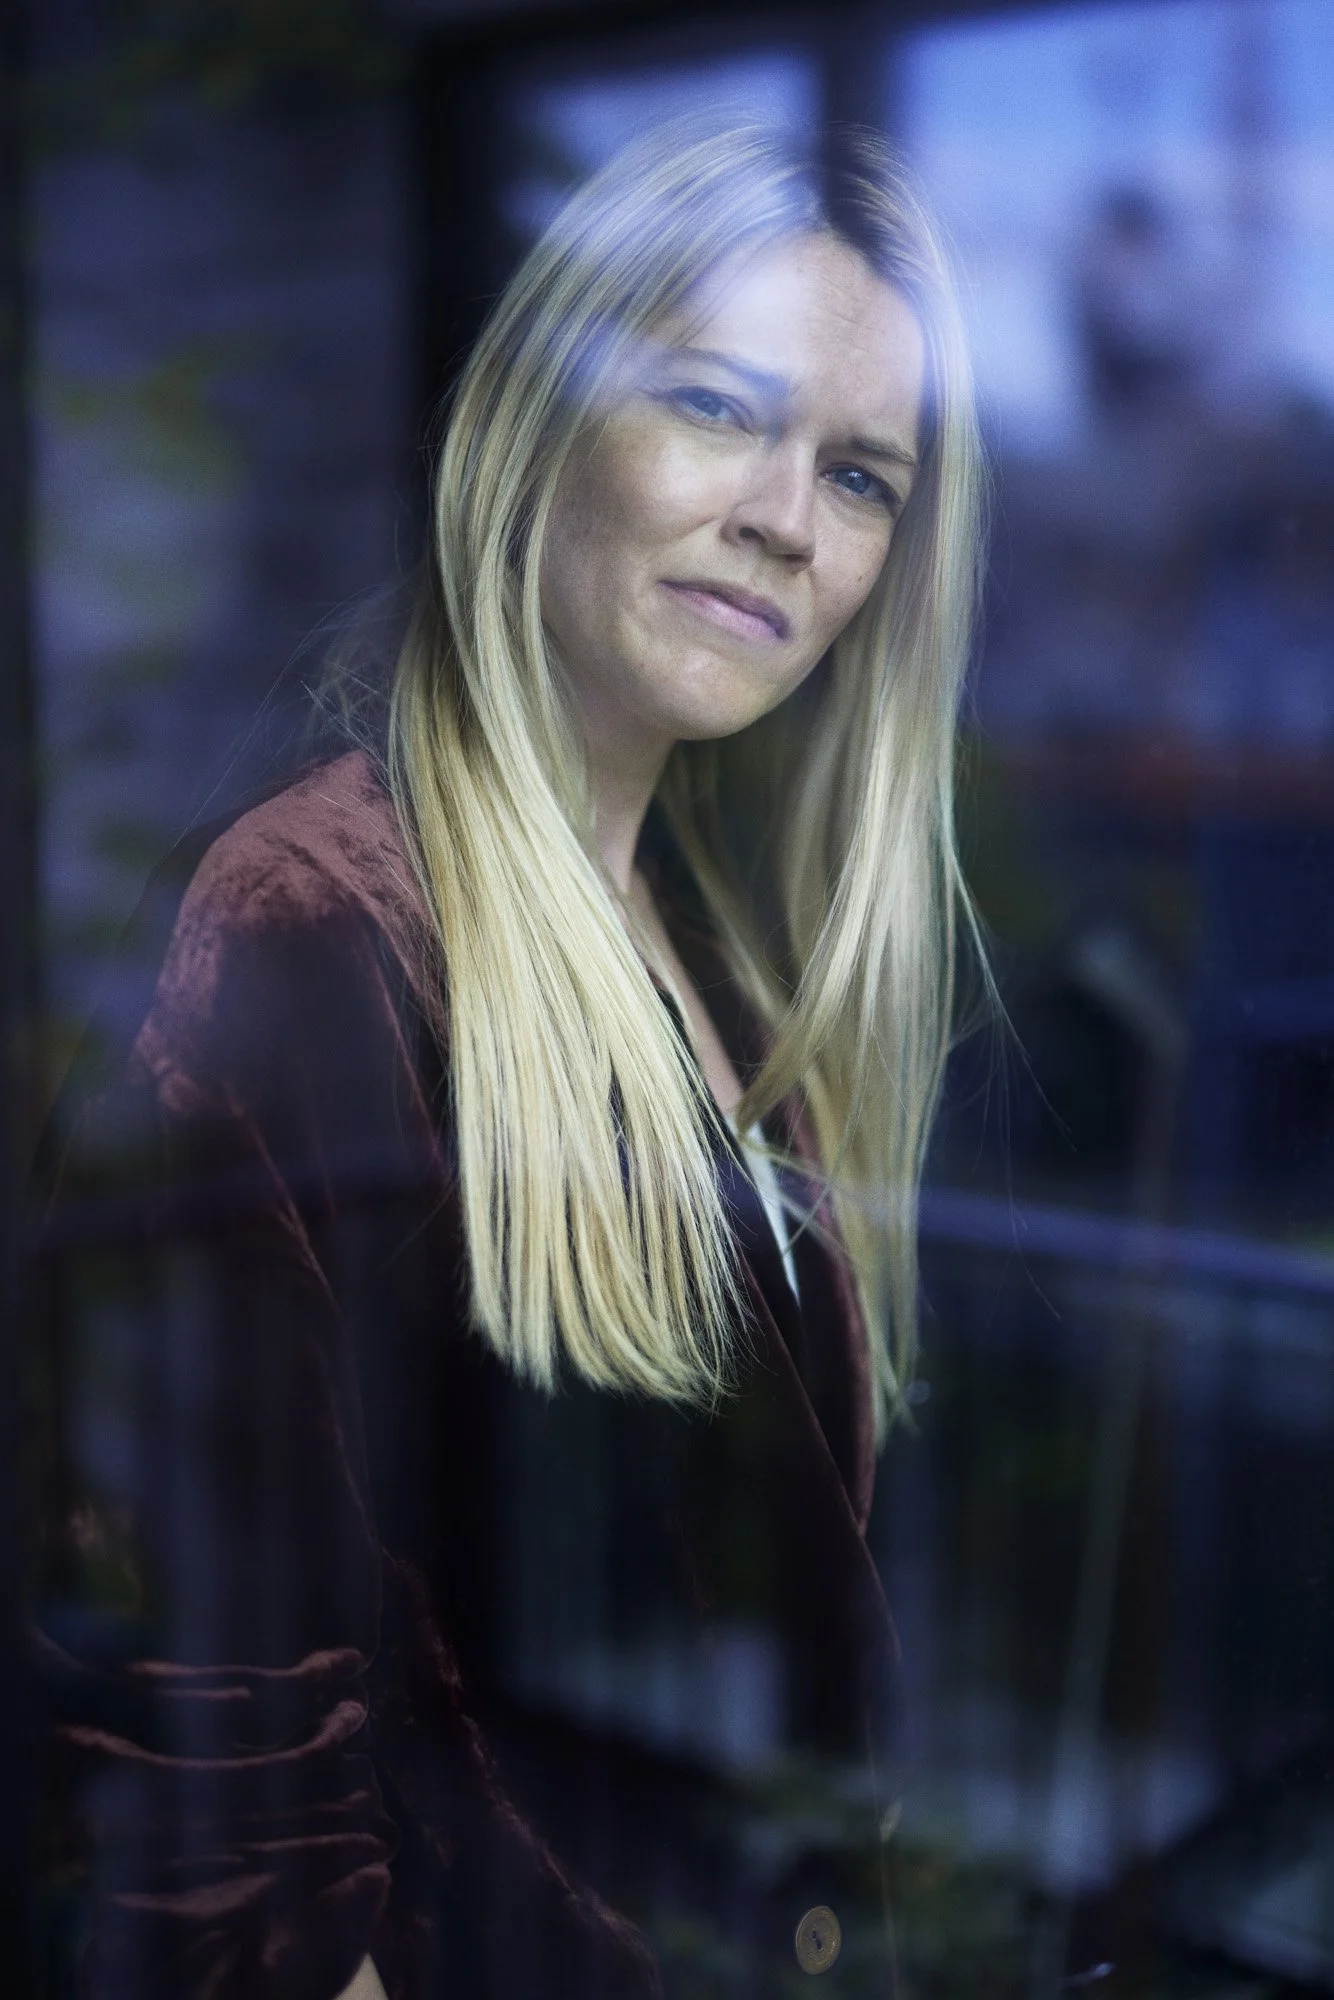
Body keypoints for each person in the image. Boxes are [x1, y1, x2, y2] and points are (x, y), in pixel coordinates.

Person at [26, 117, 984, 1999]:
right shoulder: (310, 928)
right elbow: (221, 1821)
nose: (788, 517)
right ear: (541, 420)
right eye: (718, 405)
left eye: (861, 474)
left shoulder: (722, 955)